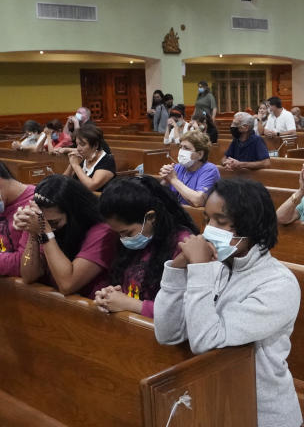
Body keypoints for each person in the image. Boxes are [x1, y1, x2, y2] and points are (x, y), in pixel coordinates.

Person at [154, 178, 304, 427]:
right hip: (217, 408)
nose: (209, 230)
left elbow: (207, 339)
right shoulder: (220, 267)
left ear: (250, 226)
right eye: (206, 219)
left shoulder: (278, 284)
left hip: (264, 420)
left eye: (220, 222)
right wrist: (177, 272)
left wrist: (199, 270)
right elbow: (167, 333)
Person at [92, 176, 197, 318]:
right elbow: (130, 286)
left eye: (127, 232)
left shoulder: (183, 245)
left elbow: (184, 314)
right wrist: (111, 296)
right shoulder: (139, 240)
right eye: (119, 234)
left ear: (151, 217)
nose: (123, 239)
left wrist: (131, 305)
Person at [13, 174, 118, 298]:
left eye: (54, 223)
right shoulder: (40, 224)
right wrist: (33, 233)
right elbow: (29, 276)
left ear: (74, 213)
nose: (50, 227)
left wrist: (45, 231)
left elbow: (67, 285)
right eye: (44, 221)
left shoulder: (103, 232)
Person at [160, 130, 221, 206]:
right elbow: (159, 195)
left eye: (186, 148)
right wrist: (166, 180)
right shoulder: (178, 167)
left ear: (200, 154)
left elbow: (198, 201)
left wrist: (173, 179)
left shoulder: (210, 170)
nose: (181, 151)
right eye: (181, 147)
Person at [63, 124, 116, 191]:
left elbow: (91, 186)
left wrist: (75, 165)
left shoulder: (107, 160)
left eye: (82, 144)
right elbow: (63, 181)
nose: (78, 148)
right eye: (77, 144)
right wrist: (71, 164)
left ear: (95, 145)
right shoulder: (83, 158)